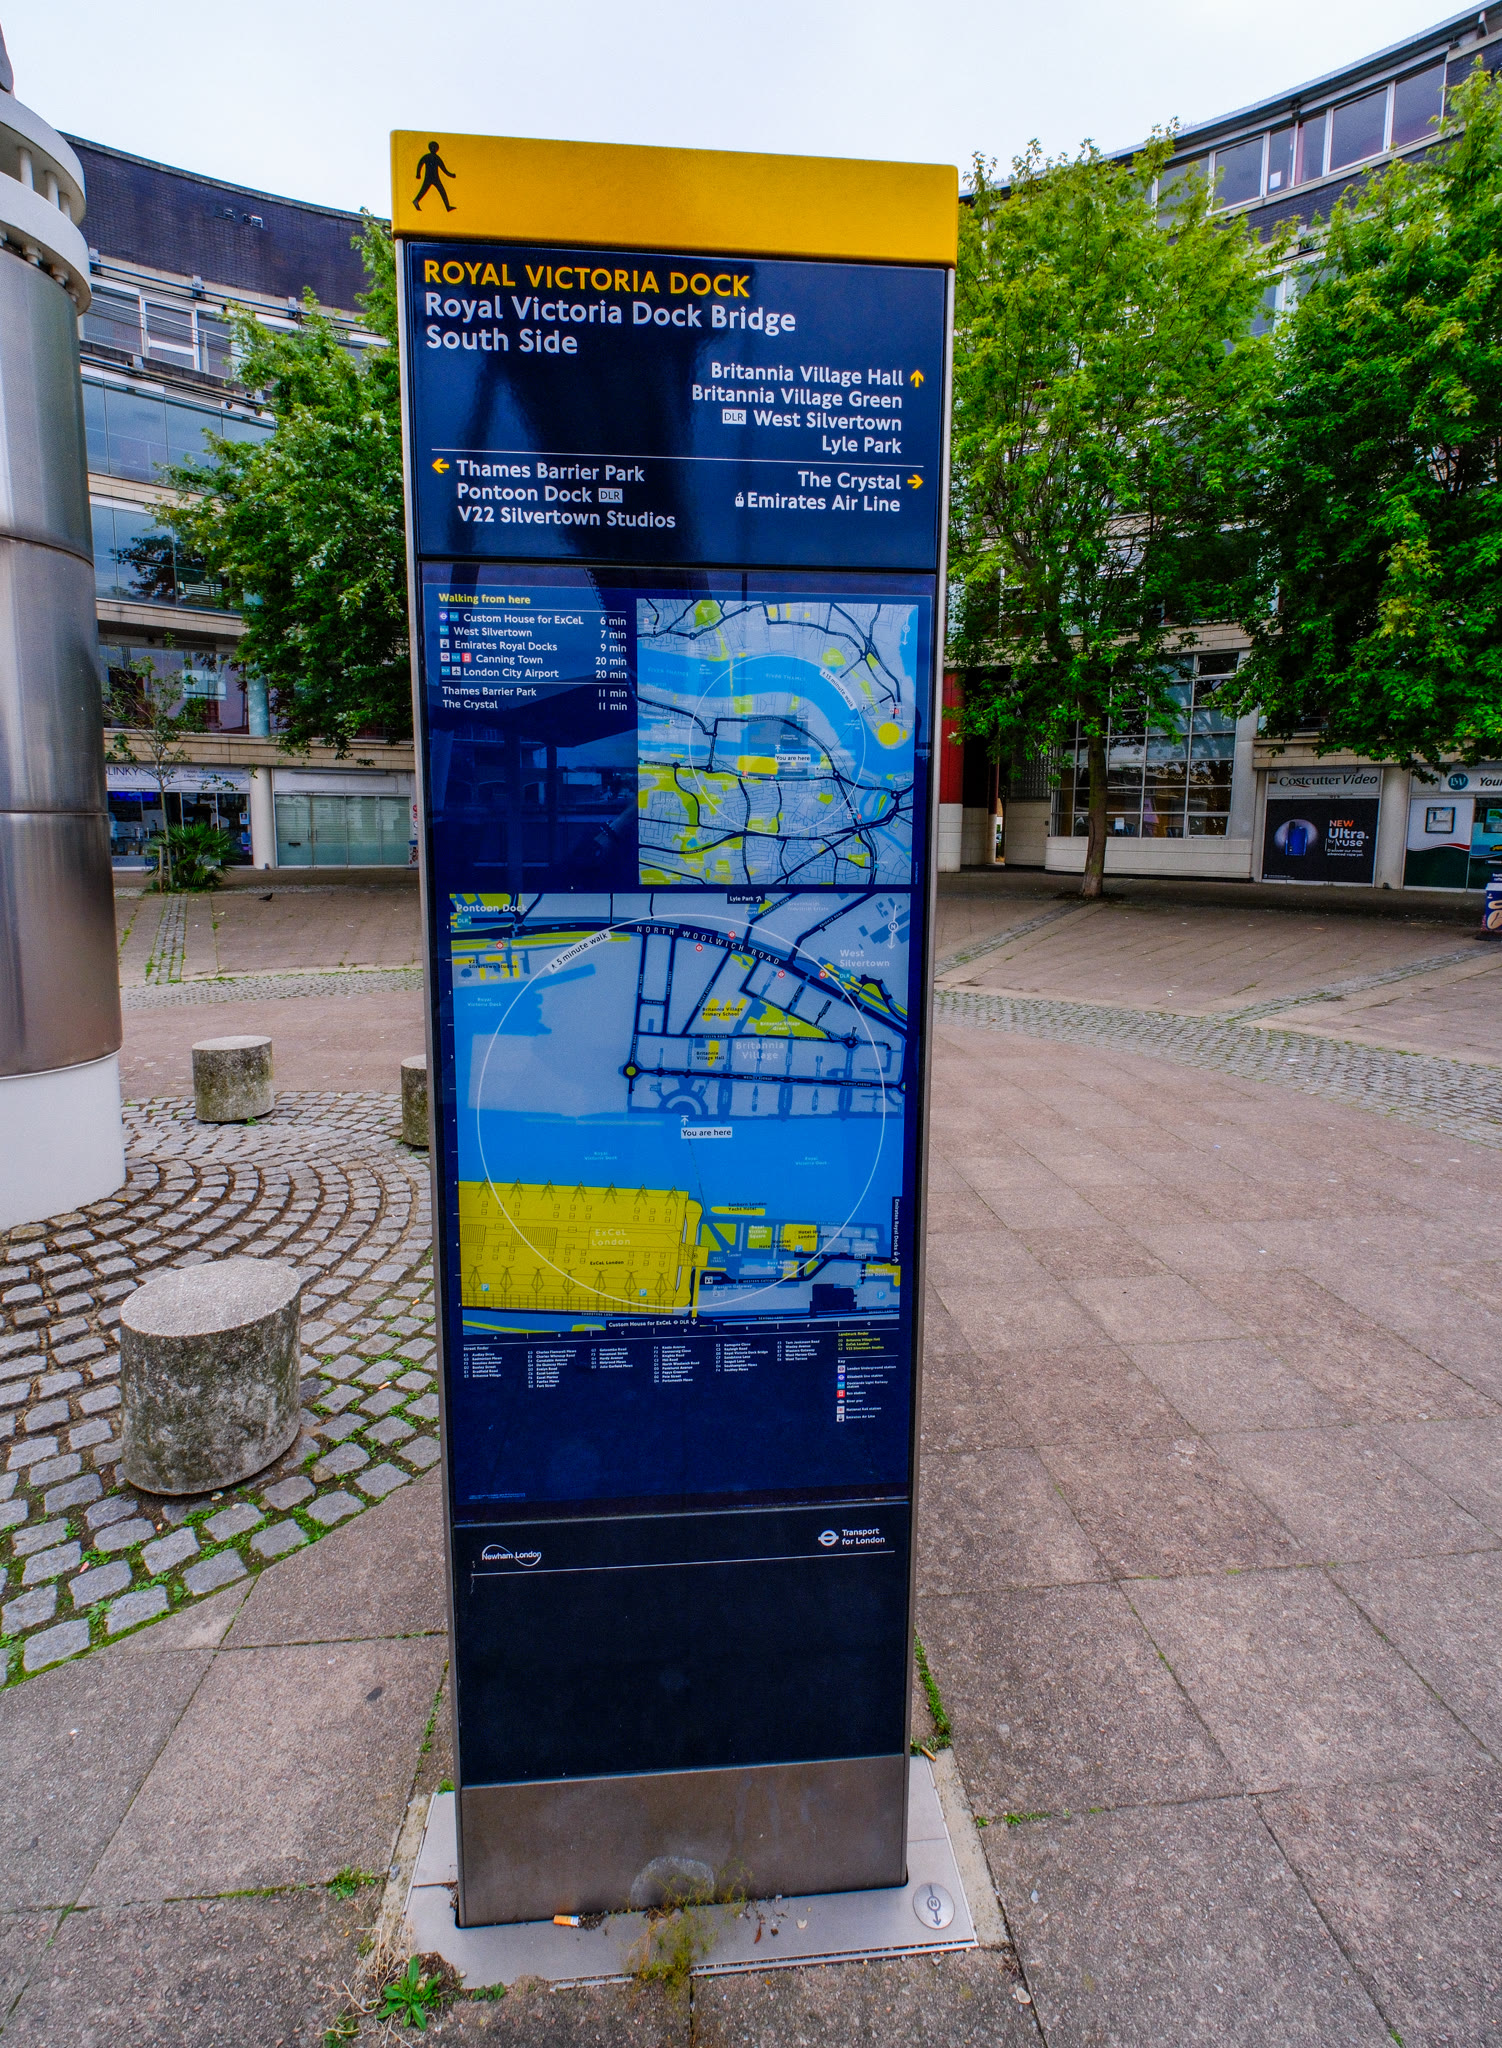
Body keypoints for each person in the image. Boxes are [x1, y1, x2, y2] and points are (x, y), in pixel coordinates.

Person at [414, 141, 456, 213]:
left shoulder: (436, 158)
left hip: (435, 178)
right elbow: (420, 164)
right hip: (430, 177)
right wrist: (418, 174)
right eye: (433, 147)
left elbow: (443, 168)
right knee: (425, 190)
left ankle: (447, 207)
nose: (434, 149)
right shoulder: (428, 157)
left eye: (435, 148)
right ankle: (416, 201)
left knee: (442, 191)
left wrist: (451, 175)